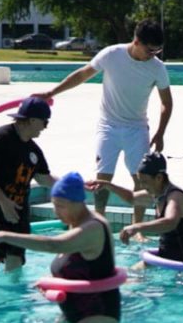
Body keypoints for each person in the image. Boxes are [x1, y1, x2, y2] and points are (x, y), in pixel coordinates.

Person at [35, 19, 173, 225]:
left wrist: (161, 132)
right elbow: (83, 74)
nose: (153, 55)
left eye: (157, 51)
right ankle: (99, 223)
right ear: (136, 41)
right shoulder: (112, 55)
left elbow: (167, 103)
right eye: (150, 50)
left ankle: (138, 228)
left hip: (137, 128)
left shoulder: (157, 68)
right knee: (102, 179)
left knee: (141, 179)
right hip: (108, 126)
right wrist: (51, 92)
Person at [0, 172, 120, 323]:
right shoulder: (75, 223)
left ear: (77, 203)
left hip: (97, 314)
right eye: (54, 205)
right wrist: (53, 284)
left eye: (60, 206)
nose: (56, 212)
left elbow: (54, 245)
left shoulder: (93, 227)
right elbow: (81, 270)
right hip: (72, 313)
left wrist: (4, 236)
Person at [0, 96, 56, 274]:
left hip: (16, 213)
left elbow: (44, 179)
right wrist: (4, 202)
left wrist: (76, 185)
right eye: (44, 123)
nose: (45, 127)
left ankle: (13, 300)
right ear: (32, 120)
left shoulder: (34, 150)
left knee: (15, 263)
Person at [89, 153, 183, 263]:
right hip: (169, 254)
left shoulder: (175, 197)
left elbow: (170, 222)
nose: (142, 186)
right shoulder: (157, 193)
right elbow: (132, 198)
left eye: (145, 182)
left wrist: (137, 226)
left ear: (159, 178)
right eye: (140, 181)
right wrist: (107, 185)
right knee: (131, 277)